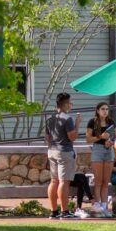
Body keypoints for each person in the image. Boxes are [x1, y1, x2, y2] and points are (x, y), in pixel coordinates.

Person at [45, 92, 81, 220]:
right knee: (64, 182)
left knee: (53, 181)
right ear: (65, 104)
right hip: (64, 152)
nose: (71, 105)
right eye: (70, 103)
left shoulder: (50, 119)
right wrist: (77, 124)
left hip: (52, 151)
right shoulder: (67, 118)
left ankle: (53, 211)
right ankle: (65, 212)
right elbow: (72, 137)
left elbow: (48, 138)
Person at [86, 102, 116, 217]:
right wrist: (100, 137)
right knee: (98, 181)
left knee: (105, 181)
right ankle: (98, 208)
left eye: (107, 109)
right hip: (97, 150)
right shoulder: (92, 122)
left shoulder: (111, 122)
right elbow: (88, 139)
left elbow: (115, 136)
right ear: (98, 110)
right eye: (103, 109)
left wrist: (111, 142)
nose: (105, 111)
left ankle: (104, 207)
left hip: (109, 150)